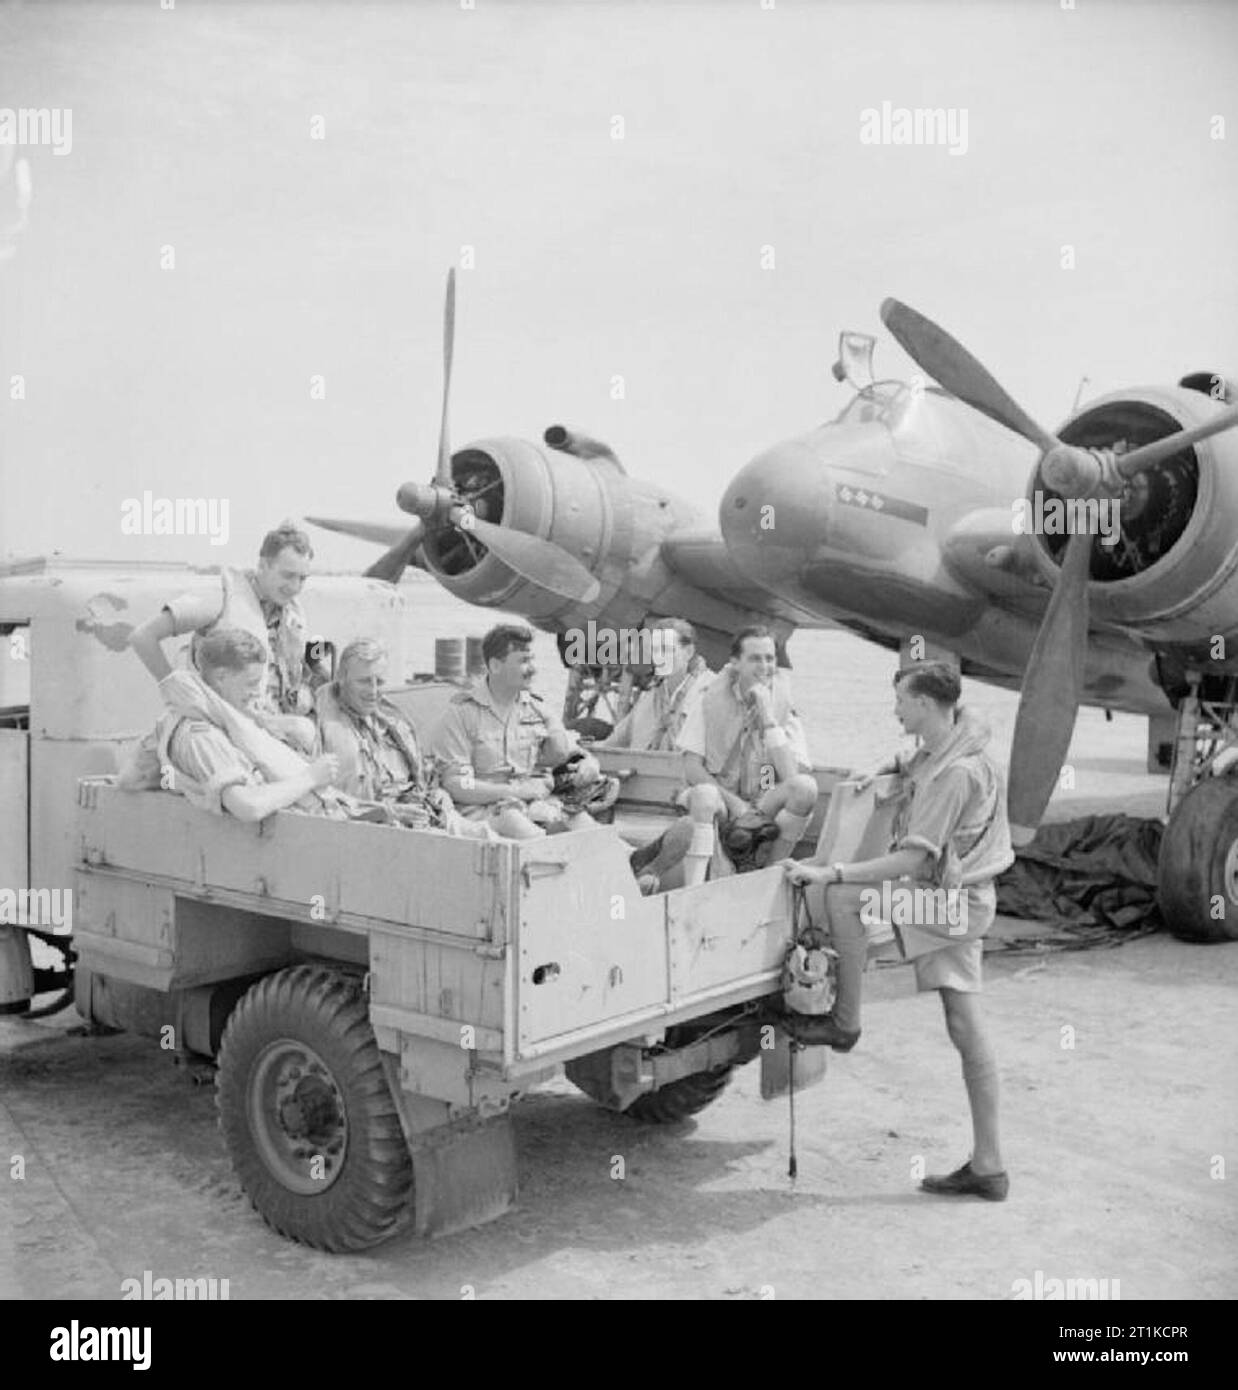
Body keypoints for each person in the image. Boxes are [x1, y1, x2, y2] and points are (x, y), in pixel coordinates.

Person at [782, 661, 1015, 1202]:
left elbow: (910, 862)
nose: (895, 710)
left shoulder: (955, 774)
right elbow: (913, 758)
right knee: (964, 1021)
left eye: (902, 702)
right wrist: (878, 766)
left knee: (845, 898)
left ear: (928, 705)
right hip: (967, 899)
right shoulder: (956, 742)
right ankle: (990, 1165)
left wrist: (830, 871)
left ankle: (844, 1024)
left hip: (948, 904)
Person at [631, 625, 818, 890]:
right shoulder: (710, 699)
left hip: (763, 795)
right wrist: (734, 803)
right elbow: (692, 767)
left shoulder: (781, 703)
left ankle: (769, 873)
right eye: (755, 659)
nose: (764, 666)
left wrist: (767, 717)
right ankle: (695, 890)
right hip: (722, 798)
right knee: (705, 795)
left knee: (805, 788)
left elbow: (789, 776)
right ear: (735, 662)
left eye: (769, 658)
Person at [128, 522, 323, 749]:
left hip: (269, 729)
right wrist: (179, 691)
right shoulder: (222, 595)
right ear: (263, 565)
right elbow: (142, 637)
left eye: (302, 578)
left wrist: (317, 675)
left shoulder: (293, 615)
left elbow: (301, 666)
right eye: (287, 576)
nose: (294, 587)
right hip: (219, 728)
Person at [119, 628, 340, 822]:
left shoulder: (221, 720)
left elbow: (132, 777)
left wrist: (177, 781)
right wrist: (311, 777)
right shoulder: (202, 735)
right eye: (251, 683)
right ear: (222, 677)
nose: (256, 693)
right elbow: (248, 807)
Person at [430, 623, 611, 839]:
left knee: (586, 828)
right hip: (483, 813)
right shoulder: (461, 715)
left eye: (532, 660)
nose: (532, 668)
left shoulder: (537, 711)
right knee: (530, 834)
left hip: (533, 805)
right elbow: (459, 784)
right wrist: (514, 792)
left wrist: (588, 762)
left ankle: (630, 861)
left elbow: (568, 753)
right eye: (524, 661)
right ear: (496, 666)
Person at [315, 637, 487, 836]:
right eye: (364, 681)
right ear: (341, 679)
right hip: (378, 830)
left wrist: (439, 793)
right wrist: (386, 812)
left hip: (428, 816)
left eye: (379, 682)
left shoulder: (393, 721)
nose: (373, 691)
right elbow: (323, 802)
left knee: (506, 826)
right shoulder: (323, 727)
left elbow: (425, 776)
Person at [596, 618, 713, 752]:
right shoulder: (649, 699)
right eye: (655, 650)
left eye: (667, 649)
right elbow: (612, 745)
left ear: (688, 652)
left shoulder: (713, 693)